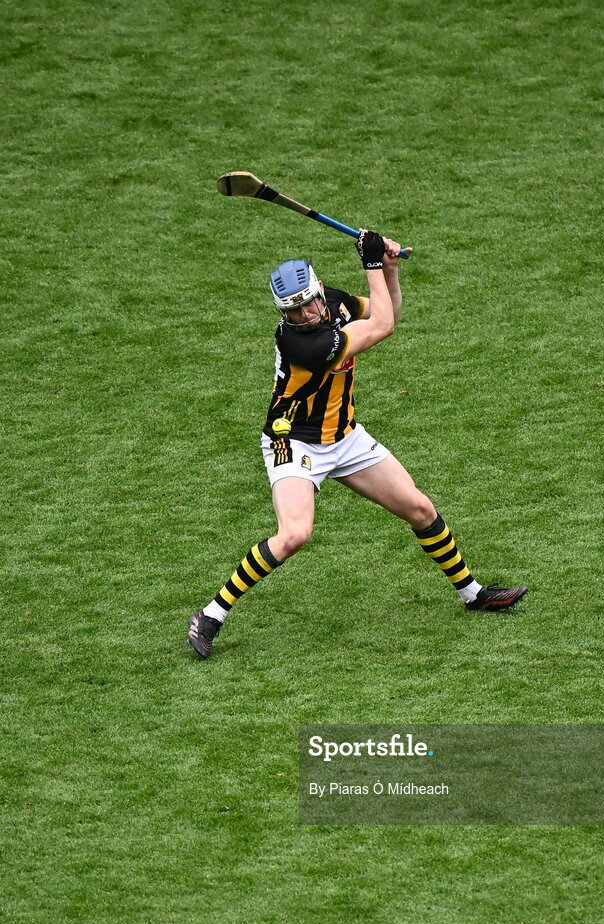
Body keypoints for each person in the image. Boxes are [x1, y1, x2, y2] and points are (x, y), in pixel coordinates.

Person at [188, 230, 527, 658]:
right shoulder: (301, 342)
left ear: (317, 289)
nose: (308, 314)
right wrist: (370, 264)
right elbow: (381, 327)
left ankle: (473, 594)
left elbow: (388, 313)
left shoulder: (335, 300)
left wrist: (388, 269)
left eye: (310, 302)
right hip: (293, 441)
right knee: (295, 534)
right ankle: (210, 616)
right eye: (295, 311)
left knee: (419, 509)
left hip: (345, 437)